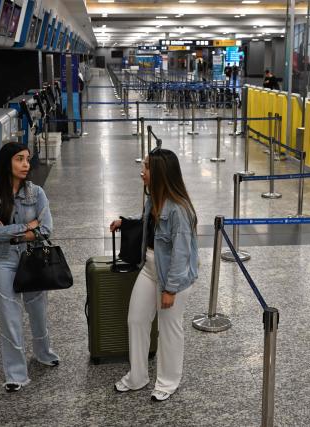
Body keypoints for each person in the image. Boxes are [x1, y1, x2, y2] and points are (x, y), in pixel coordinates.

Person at [111, 148, 199, 402]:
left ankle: (168, 381)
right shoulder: (153, 199)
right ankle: (138, 376)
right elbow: (147, 226)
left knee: (169, 328)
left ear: (160, 173)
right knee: (136, 319)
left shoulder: (179, 210)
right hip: (150, 270)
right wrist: (125, 223)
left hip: (173, 279)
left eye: (147, 167)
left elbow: (181, 255)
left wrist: (170, 290)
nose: (143, 171)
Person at [0, 143, 59, 393]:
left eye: (27, 159)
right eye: (19, 159)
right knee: (9, 317)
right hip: (3, 260)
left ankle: (43, 353)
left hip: (33, 257)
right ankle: (16, 374)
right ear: (7, 163)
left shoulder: (37, 193)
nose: (26, 164)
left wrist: (12, 233)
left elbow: (45, 229)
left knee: (37, 309)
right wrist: (25, 228)